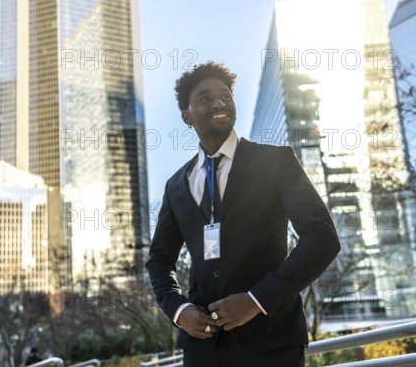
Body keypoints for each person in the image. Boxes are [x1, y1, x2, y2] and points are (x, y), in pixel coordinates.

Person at [146, 61, 340, 366]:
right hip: (202, 350)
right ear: (187, 116)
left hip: (271, 342)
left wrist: (256, 300)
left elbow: (322, 237)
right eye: (205, 98)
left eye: (225, 95)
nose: (219, 102)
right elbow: (159, 259)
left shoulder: (275, 162)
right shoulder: (175, 186)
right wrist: (179, 311)